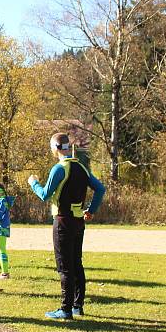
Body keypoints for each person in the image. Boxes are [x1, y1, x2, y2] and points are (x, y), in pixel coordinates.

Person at [28, 133, 106, 320]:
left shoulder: (59, 168)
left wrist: (33, 183)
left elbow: (45, 195)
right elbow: (100, 189)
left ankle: (65, 309)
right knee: (76, 263)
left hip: (63, 221)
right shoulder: (81, 167)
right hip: (79, 221)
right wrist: (91, 210)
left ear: (55, 148)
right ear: (68, 147)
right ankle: (78, 306)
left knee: (65, 267)